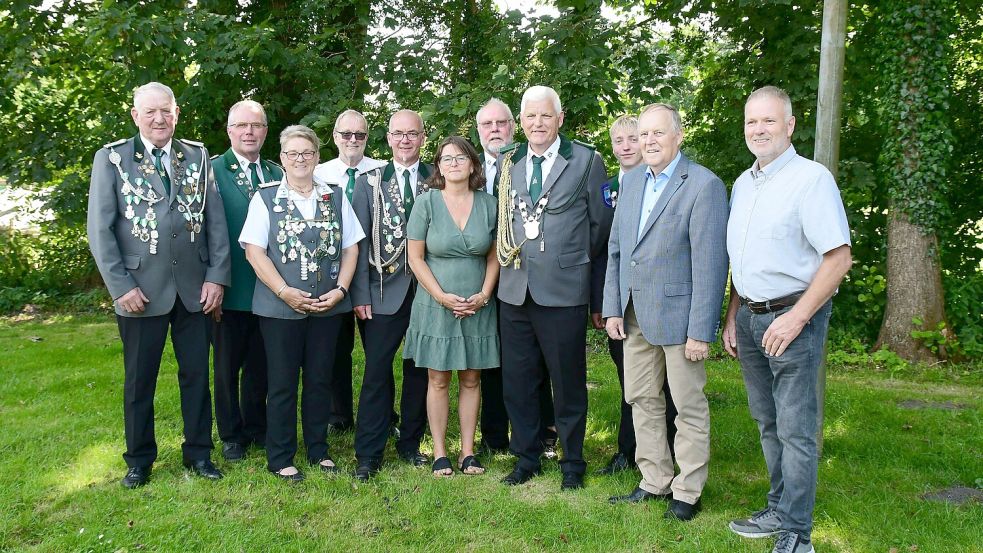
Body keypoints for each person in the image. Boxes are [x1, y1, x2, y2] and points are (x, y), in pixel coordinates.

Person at [723, 86, 851, 553]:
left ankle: (797, 533)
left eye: (769, 121)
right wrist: (733, 314)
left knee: (796, 428)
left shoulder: (811, 180)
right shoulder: (742, 183)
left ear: (791, 126)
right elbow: (744, 258)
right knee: (766, 420)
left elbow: (838, 258)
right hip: (753, 320)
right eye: (752, 122)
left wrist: (796, 319)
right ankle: (778, 507)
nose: (758, 130)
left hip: (794, 320)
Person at [87, 81, 230, 488]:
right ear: (135, 116)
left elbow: (216, 223)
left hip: (193, 290)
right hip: (139, 292)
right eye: (149, 112)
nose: (158, 119)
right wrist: (120, 287)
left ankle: (199, 453)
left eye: (165, 111)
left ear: (176, 112)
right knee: (139, 380)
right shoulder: (112, 158)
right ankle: (139, 460)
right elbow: (100, 230)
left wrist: (217, 276)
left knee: (197, 376)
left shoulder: (198, 156)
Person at [603, 103, 729, 522]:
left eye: (659, 133)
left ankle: (688, 491)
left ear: (678, 136)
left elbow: (711, 266)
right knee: (641, 398)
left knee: (687, 405)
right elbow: (618, 250)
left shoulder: (703, 185)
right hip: (634, 314)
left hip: (680, 319)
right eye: (644, 135)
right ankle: (654, 479)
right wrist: (612, 308)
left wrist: (701, 331)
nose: (649, 141)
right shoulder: (634, 180)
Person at [496, 85, 611, 490]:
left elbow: (600, 228)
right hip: (514, 289)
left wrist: (569, 261)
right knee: (519, 379)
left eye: (546, 116)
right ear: (521, 121)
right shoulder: (509, 162)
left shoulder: (585, 160)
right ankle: (526, 457)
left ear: (560, 119)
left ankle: (572, 462)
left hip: (563, 289)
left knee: (567, 381)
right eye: (530, 116)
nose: (537, 123)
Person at [240, 125, 364, 481]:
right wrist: (283, 291)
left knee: (320, 380)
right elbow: (254, 252)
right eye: (293, 154)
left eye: (307, 153)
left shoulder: (335, 196)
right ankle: (280, 456)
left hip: (329, 305)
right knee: (281, 382)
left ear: (316, 157)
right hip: (280, 308)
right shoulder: (265, 198)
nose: (300, 159)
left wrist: (341, 290)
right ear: (282, 159)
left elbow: (351, 247)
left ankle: (318, 450)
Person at [403, 136, 501, 477]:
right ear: (438, 167)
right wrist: (442, 296)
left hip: (478, 304)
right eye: (446, 159)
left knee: (472, 378)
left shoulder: (490, 204)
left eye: (461, 158)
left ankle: (468, 453)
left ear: (473, 164)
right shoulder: (426, 203)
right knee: (438, 378)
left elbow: (494, 256)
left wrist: (484, 294)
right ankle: (441, 453)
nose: (454, 163)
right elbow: (415, 258)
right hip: (435, 304)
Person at [591, 115, 678, 476]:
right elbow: (602, 249)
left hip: (661, 301)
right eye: (619, 140)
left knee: (668, 384)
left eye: (633, 138)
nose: (627, 146)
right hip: (619, 302)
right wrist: (602, 302)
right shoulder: (607, 189)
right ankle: (630, 450)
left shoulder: (666, 185)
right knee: (631, 380)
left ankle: (670, 450)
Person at [350, 109, 433, 481]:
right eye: (398, 134)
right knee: (376, 371)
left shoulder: (440, 176)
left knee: (419, 370)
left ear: (422, 137)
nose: (405, 140)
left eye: (412, 134)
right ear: (388, 138)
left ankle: (411, 443)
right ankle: (368, 453)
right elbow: (357, 241)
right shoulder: (369, 182)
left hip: (429, 292)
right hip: (381, 292)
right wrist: (359, 293)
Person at [474, 98, 556, 456]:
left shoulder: (528, 163)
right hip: (479, 277)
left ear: (513, 125)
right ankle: (493, 435)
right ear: (478, 131)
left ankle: (542, 432)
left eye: (501, 123)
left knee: (530, 357)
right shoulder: (465, 166)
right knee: (489, 355)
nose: (495, 130)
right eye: (487, 124)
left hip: (522, 274)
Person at [210, 100, 283, 462]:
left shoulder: (277, 172)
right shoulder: (211, 172)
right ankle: (231, 434)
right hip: (230, 286)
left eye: (256, 126)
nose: (249, 132)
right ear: (230, 130)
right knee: (226, 366)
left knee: (261, 364)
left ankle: (258, 427)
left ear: (265, 131)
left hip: (268, 289)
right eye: (242, 126)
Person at [313, 109, 386, 434]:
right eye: (346, 134)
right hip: (333, 276)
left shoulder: (382, 172)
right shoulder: (317, 174)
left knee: (378, 352)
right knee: (336, 349)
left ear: (367, 138)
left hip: (376, 275)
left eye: (359, 135)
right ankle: (337, 414)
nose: (353, 140)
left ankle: (386, 416)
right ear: (335, 137)